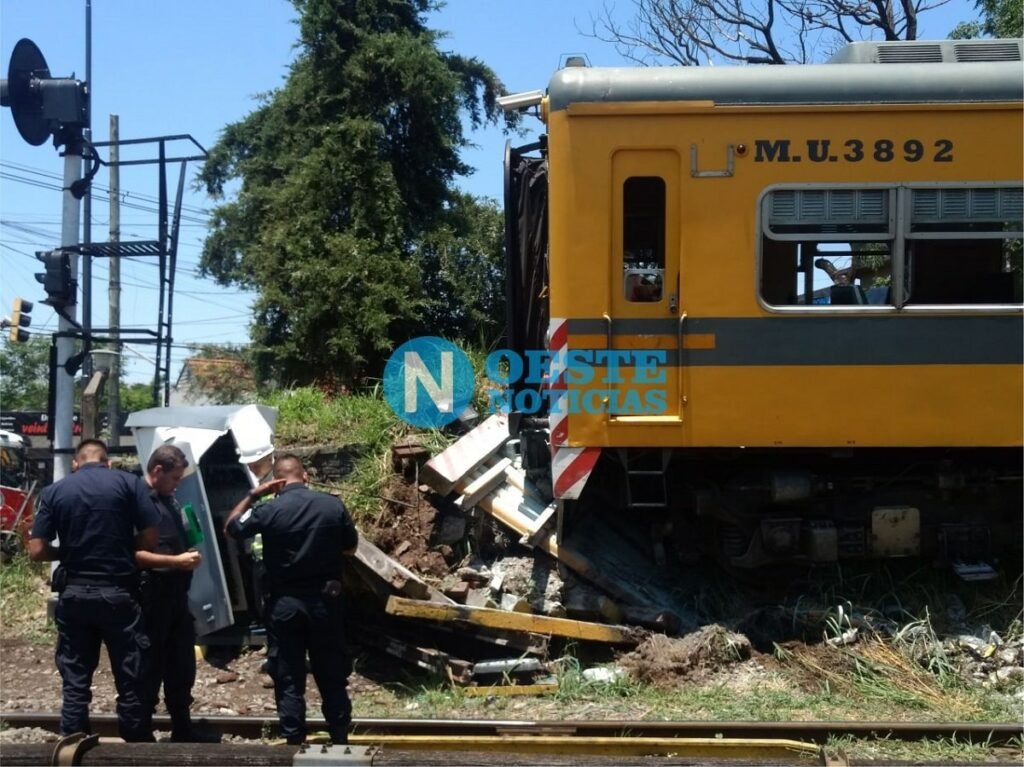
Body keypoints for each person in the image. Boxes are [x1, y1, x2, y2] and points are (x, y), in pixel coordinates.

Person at [27, 439, 161, 742]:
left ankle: (73, 740)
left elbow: (36, 550)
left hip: (74, 595)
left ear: (75, 463)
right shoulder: (130, 484)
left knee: (75, 677)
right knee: (130, 676)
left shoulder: (55, 491)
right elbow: (151, 539)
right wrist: (124, 550)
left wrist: (67, 552)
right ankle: (135, 744)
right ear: (108, 462)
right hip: (119, 594)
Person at [223, 454, 358, 745]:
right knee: (331, 673)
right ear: (305, 475)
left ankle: (294, 742)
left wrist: (253, 495)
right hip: (325, 601)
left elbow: (231, 528)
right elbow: (350, 549)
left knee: (288, 676)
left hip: (284, 604)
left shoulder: (269, 509)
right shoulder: (332, 505)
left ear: (277, 483)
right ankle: (339, 738)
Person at [135, 444, 211, 743]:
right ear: (157, 472)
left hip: (177, 595)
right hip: (152, 595)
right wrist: (175, 562)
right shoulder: (139, 502)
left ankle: (182, 726)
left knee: (181, 664)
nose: (178, 483)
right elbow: (134, 555)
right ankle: (142, 732)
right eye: (175, 478)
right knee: (150, 664)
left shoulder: (170, 500)